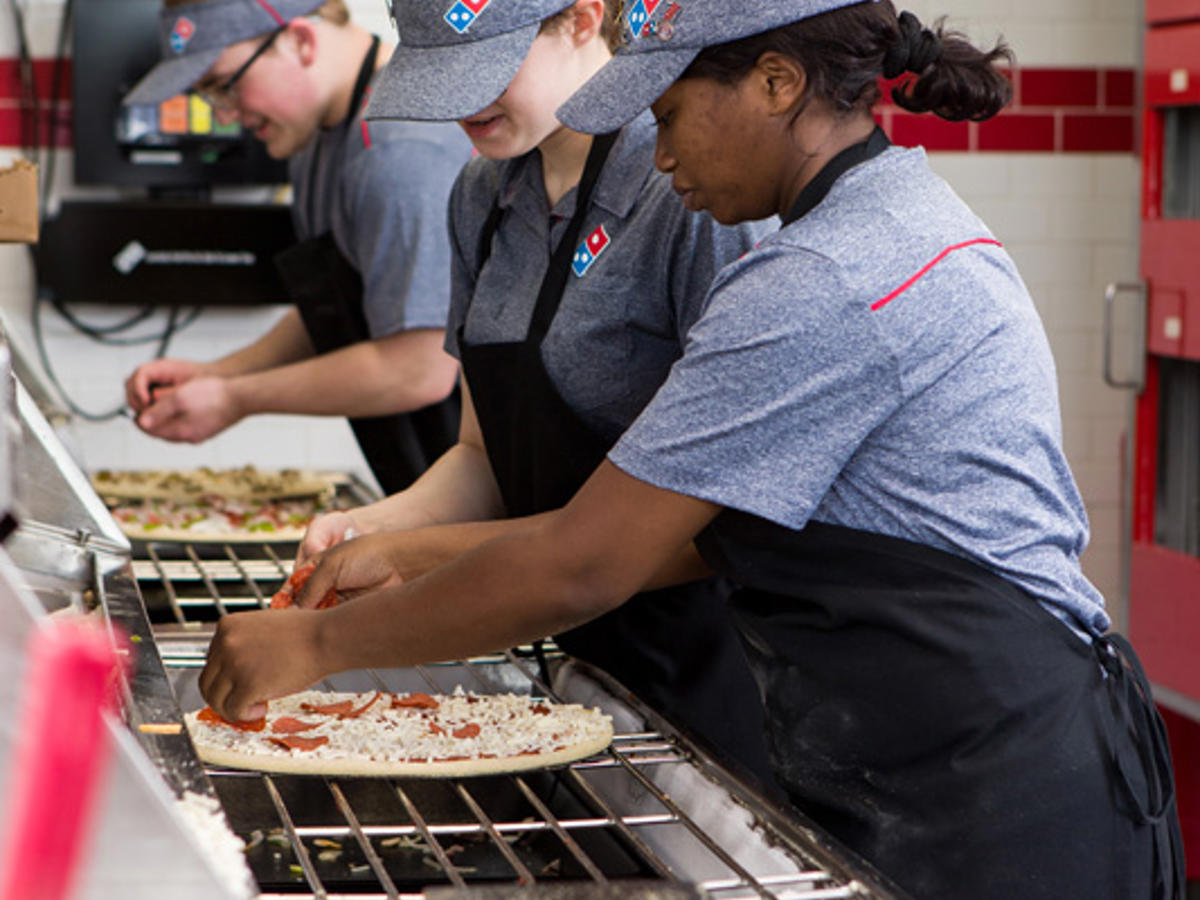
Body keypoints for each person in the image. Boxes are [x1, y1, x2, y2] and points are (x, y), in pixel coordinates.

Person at [198, 1, 1186, 897]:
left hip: (998, 788)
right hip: (927, 746)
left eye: (668, 115)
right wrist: (392, 551)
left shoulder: (822, 278)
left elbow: (589, 559)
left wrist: (316, 647)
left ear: (776, 84)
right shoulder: (874, 217)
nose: (656, 156)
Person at [287, 0, 778, 789]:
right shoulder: (480, 199)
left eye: (486, 69)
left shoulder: (688, 187)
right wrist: (365, 528)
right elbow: (482, 459)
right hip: (568, 662)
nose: (461, 104)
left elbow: (736, 503)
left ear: (583, 19)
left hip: (709, 665)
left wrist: (416, 563)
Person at [121, 0, 474, 494]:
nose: (228, 114)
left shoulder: (401, 150)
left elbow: (418, 367)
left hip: (486, 492)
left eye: (225, 86)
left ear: (301, 41)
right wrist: (215, 375)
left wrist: (234, 398)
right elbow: (346, 303)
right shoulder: (316, 134)